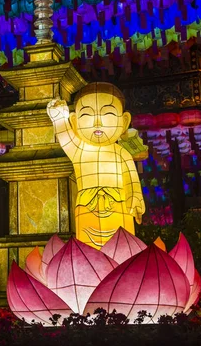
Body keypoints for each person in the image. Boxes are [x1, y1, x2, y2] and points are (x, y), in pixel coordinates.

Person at [47, 82, 145, 248]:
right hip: (87, 206)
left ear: (124, 121)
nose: (97, 123)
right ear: (75, 122)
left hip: (118, 205)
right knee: (89, 247)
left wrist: (135, 198)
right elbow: (65, 137)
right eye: (87, 115)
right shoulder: (79, 150)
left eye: (108, 114)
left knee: (121, 244)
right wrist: (58, 119)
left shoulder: (122, 153)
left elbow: (132, 180)